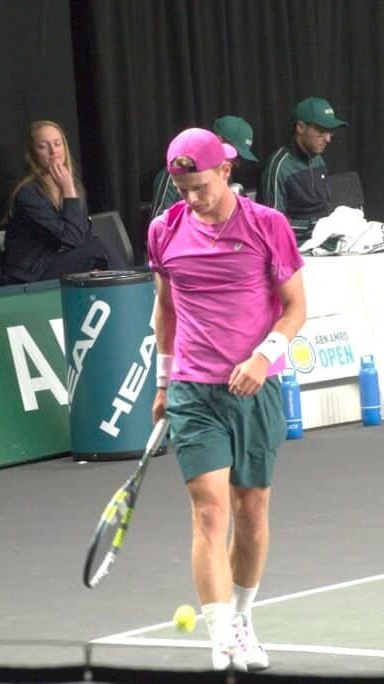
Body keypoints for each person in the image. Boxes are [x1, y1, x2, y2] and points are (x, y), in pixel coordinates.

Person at [147, 128, 306, 672]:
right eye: (183, 189)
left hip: (256, 390)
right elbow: (165, 311)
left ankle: (240, 616)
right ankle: (220, 634)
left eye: (200, 187)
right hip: (195, 390)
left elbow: (294, 308)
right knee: (210, 513)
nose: (192, 199)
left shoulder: (268, 226)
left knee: (251, 510)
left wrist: (263, 358)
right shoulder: (164, 232)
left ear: (225, 172)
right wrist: (165, 384)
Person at [0, 120, 125, 283]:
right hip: (31, 272)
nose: (53, 152)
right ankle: (134, 292)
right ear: (32, 154)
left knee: (96, 248)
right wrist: (68, 191)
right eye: (43, 147)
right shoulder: (28, 193)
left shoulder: (72, 186)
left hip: (59, 260)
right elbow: (72, 238)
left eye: (57, 144)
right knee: (97, 249)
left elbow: (83, 234)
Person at [258, 96, 348, 243]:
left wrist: (334, 225)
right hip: (297, 247)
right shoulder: (278, 166)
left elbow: (325, 208)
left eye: (331, 132)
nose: (328, 139)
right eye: (321, 131)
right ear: (300, 127)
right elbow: (272, 224)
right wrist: (316, 227)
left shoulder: (318, 160)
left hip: (325, 237)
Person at [150, 115, 259, 219]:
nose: (237, 163)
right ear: (218, 140)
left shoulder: (223, 172)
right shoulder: (176, 173)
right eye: (236, 155)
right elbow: (161, 229)